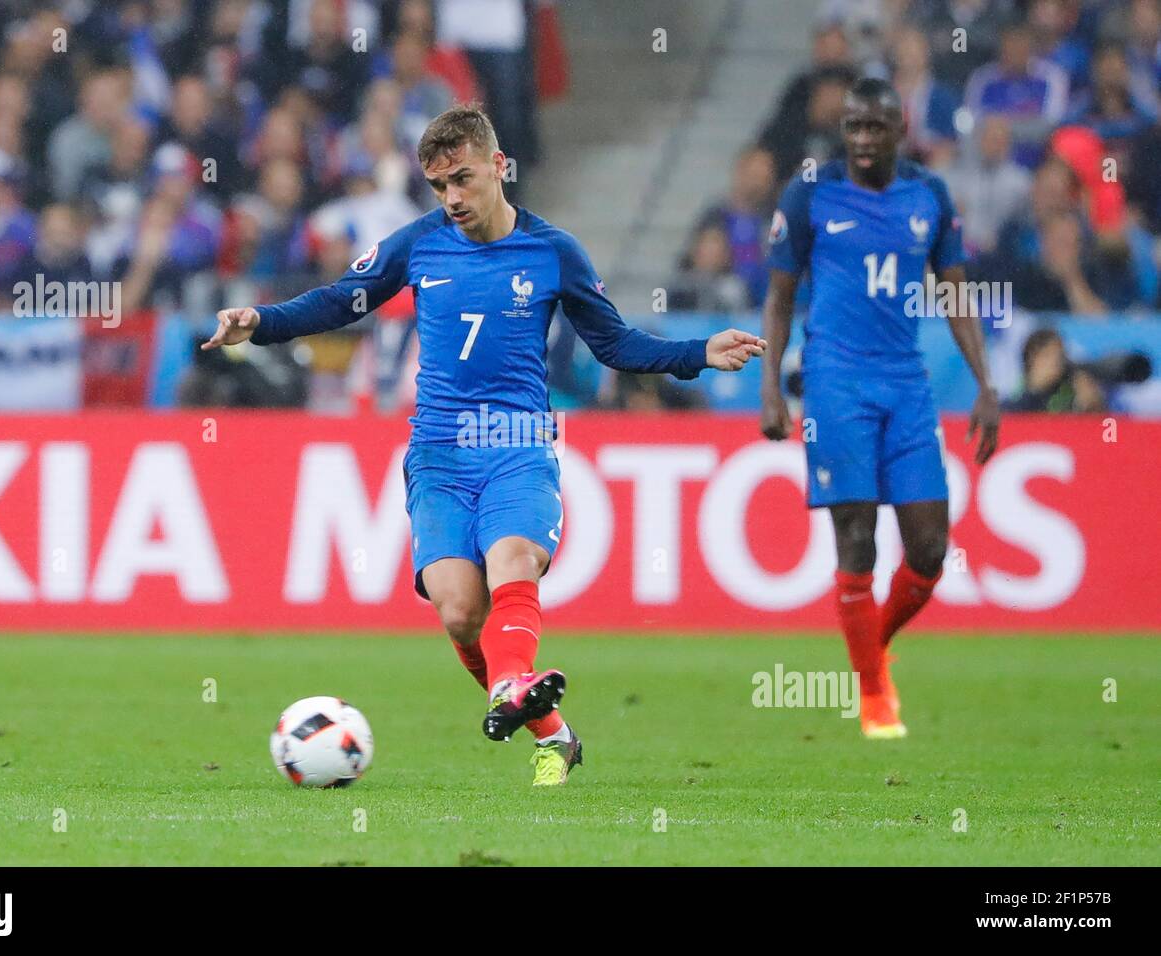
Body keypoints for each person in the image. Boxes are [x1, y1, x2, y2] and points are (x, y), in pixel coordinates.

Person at [204, 106, 766, 786]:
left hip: (517, 444)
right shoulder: (419, 245)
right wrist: (259, 322)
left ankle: (507, 692)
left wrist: (697, 351)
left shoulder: (553, 252)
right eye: (440, 186)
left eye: (464, 180)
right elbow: (340, 301)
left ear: (499, 167)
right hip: (438, 452)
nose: (453, 199)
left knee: (514, 562)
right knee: (461, 611)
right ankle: (552, 734)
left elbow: (615, 343)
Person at [759, 78, 1000, 739]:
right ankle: (874, 695)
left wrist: (985, 385)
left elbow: (955, 293)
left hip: (906, 382)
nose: (863, 140)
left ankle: (870, 645)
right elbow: (779, 298)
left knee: (929, 548)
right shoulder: (809, 194)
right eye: (853, 128)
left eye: (876, 128)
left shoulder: (929, 195)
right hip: (834, 381)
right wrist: (771, 386)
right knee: (857, 540)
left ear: (900, 130)